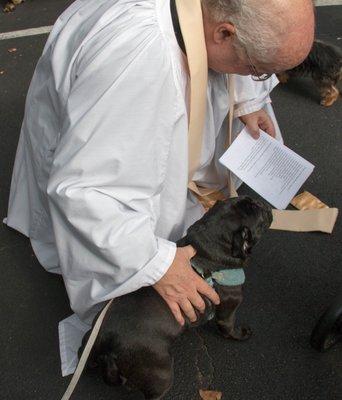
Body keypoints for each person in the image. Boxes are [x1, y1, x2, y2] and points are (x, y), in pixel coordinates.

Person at [5, 0, 315, 376]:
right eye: (258, 70)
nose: (257, 77)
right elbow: (89, 190)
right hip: (101, 158)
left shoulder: (210, 13)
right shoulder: (136, 60)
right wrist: (156, 264)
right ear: (224, 33)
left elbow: (240, 34)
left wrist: (249, 99)